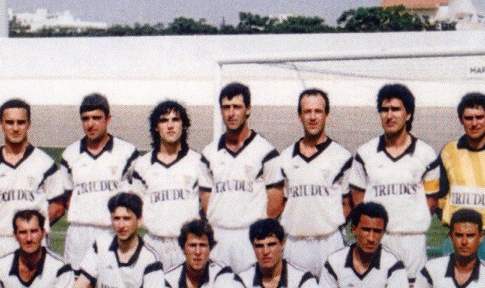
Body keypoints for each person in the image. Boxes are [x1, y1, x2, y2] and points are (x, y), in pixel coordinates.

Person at [59, 93, 139, 288]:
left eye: (97, 118)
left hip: (112, 233)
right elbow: (65, 196)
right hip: (80, 232)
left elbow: (133, 198)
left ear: (108, 119)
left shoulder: (127, 152)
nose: (91, 124)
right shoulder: (70, 154)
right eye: (86, 118)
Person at [349, 83, 439, 283]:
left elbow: (432, 201)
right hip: (377, 240)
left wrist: (409, 219)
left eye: (396, 109)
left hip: (412, 241)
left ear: (408, 114)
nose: (389, 115)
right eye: (384, 110)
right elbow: (358, 199)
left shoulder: (426, 153)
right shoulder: (365, 153)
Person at [199, 82, 282, 273]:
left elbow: (276, 203)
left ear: (248, 109)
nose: (231, 113)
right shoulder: (209, 153)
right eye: (226, 107)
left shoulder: (266, 151)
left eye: (237, 107)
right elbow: (206, 201)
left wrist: (257, 231)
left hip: (251, 237)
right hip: (218, 236)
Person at [0, 99, 67, 267]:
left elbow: (57, 206)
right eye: (9, 122)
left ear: (29, 124)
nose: (15, 128)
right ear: (1, 124)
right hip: (0, 243)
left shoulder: (45, 163)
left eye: (20, 122)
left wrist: (33, 230)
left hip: (33, 243)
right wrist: (5, 225)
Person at [437, 92, 485, 288]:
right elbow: (438, 195)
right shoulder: (449, 151)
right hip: (457, 238)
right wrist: (450, 222)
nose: (474, 123)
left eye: (480, 117)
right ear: (461, 120)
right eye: (468, 118)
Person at [276, 88, 353, 277]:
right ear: (299, 116)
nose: (312, 117)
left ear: (327, 114)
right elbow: (281, 202)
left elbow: (349, 203)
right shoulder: (285, 158)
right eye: (307, 111)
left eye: (318, 111)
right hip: (296, 243)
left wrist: (327, 223)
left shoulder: (342, 156)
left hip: (330, 242)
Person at [129, 100, 203, 271]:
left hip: (187, 244)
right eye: (164, 120)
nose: (170, 125)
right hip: (153, 243)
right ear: (156, 127)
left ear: (183, 125)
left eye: (175, 119)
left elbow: (207, 208)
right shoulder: (142, 165)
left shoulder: (198, 163)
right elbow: (135, 210)